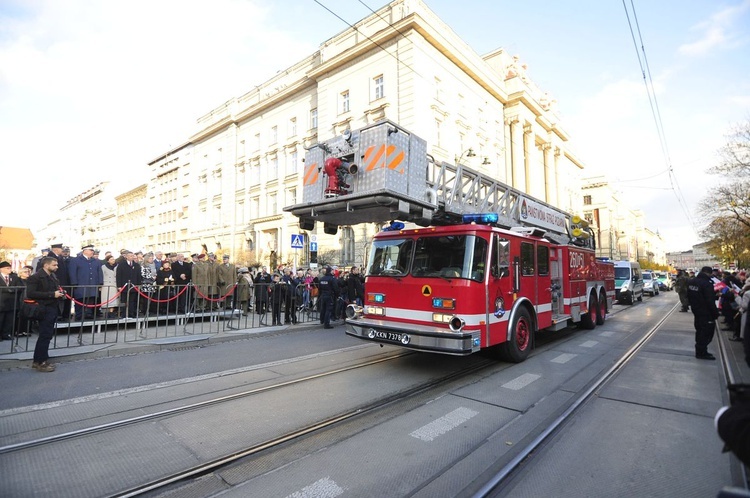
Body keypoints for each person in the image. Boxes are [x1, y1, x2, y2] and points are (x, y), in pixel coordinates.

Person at [25, 256, 65, 372]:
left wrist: (60, 293)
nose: (56, 267)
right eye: (54, 265)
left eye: (57, 265)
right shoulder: (35, 277)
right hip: (43, 309)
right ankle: (39, 361)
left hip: (52, 308)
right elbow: (31, 293)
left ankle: (42, 359)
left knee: (47, 335)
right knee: (44, 335)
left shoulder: (52, 276)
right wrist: (52, 294)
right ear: (46, 265)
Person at [687, 266, 720, 360]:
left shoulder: (692, 281)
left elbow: (688, 295)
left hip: (696, 310)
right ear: (709, 273)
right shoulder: (707, 284)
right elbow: (710, 301)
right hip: (706, 312)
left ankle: (700, 350)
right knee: (707, 333)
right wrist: (715, 313)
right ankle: (702, 352)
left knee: (699, 330)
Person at [67, 244, 103, 321]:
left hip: (92, 284)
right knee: (80, 300)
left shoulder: (96, 261)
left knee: (91, 300)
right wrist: (74, 283)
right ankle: (79, 316)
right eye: (91, 250)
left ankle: (89, 315)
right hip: (80, 285)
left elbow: (99, 272)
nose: (92, 252)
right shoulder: (76, 260)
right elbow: (72, 272)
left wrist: (100, 283)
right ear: (85, 251)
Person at [0, 261, 23, 340]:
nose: (10, 270)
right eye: (7, 268)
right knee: (1, 319)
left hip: (12, 302)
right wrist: (7, 290)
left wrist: (12, 290)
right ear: (1, 269)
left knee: (9, 320)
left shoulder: (14, 277)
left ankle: (6, 334)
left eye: (10, 268)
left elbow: (20, 287)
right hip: (1, 302)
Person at [116, 250, 142, 318]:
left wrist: (138, 285)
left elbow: (139, 276)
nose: (132, 257)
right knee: (124, 301)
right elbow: (118, 276)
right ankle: (124, 314)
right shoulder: (121, 265)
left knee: (132, 301)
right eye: (130, 256)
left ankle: (131, 313)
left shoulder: (136, 265)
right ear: (126, 257)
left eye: (133, 256)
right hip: (124, 286)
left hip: (133, 286)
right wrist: (119, 286)